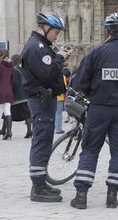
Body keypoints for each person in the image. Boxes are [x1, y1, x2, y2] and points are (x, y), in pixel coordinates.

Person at [70, 13, 118, 209]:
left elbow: (80, 82)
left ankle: (81, 195)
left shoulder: (96, 52)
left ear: (107, 30)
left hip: (99, 108)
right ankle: (112, 195)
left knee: (91, 149)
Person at [21, 12, 71, 202]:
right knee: (41, 142)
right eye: (56, 32)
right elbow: (47, 74)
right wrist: (59, 57)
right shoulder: (37, 47)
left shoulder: (42, 46)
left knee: (44, 140)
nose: (57, 36)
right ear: (45, 28)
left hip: (45, 100)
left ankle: (41, 181)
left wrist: (58, 56)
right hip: (41, 100)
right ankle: (38, 187)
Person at [10, 54, 32, 139]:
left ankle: (7, 131)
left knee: (7, 114)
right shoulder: (22, 70)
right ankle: (29, 131)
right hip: (25, 95)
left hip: (16, 95)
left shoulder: (12, 70)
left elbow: (12, 83)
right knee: (27, 114)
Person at [0, 49, 14, 140]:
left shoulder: (0, 65)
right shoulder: (11, 65)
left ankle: (5, 131)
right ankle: (9, 132)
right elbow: (12, 79)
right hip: (8, 89)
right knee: (7, 111)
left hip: (0, 89)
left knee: (5, 111)